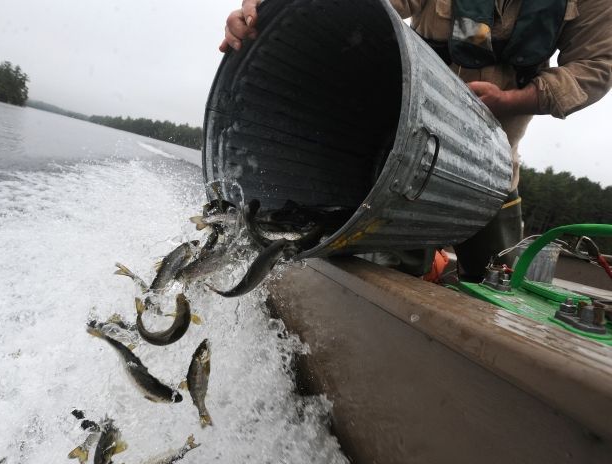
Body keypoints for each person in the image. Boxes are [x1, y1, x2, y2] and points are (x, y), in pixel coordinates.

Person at [219, 0, 612, 281]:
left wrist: (512, 100)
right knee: (386, 273)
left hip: (493, 160)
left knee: (498, 283)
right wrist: (260, 7)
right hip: (399, 148)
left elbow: (596, 68)